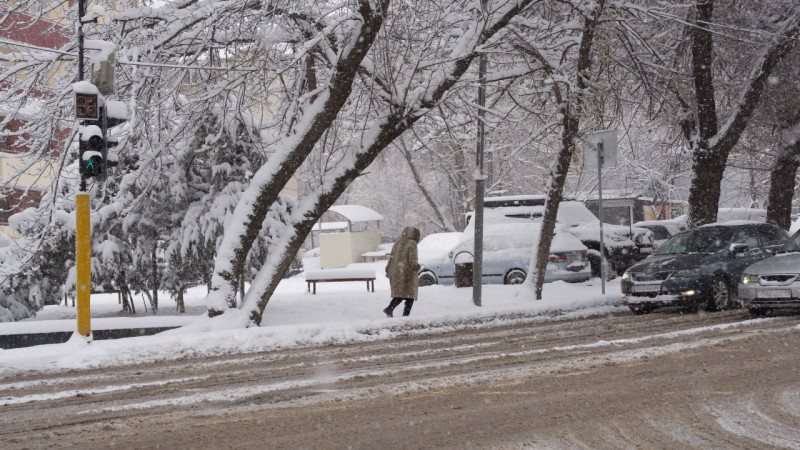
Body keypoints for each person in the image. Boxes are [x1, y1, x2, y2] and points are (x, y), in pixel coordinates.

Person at [383, 226, 421, 317]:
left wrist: (388, 270)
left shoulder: (397, 243)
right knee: (410, 295)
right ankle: (405, 316)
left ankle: (389, 309)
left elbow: (391, 258)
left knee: (400, 293)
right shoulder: (412, 243)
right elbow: (413, 259)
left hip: (396, 273)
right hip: (407, 273)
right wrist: (416, 267)